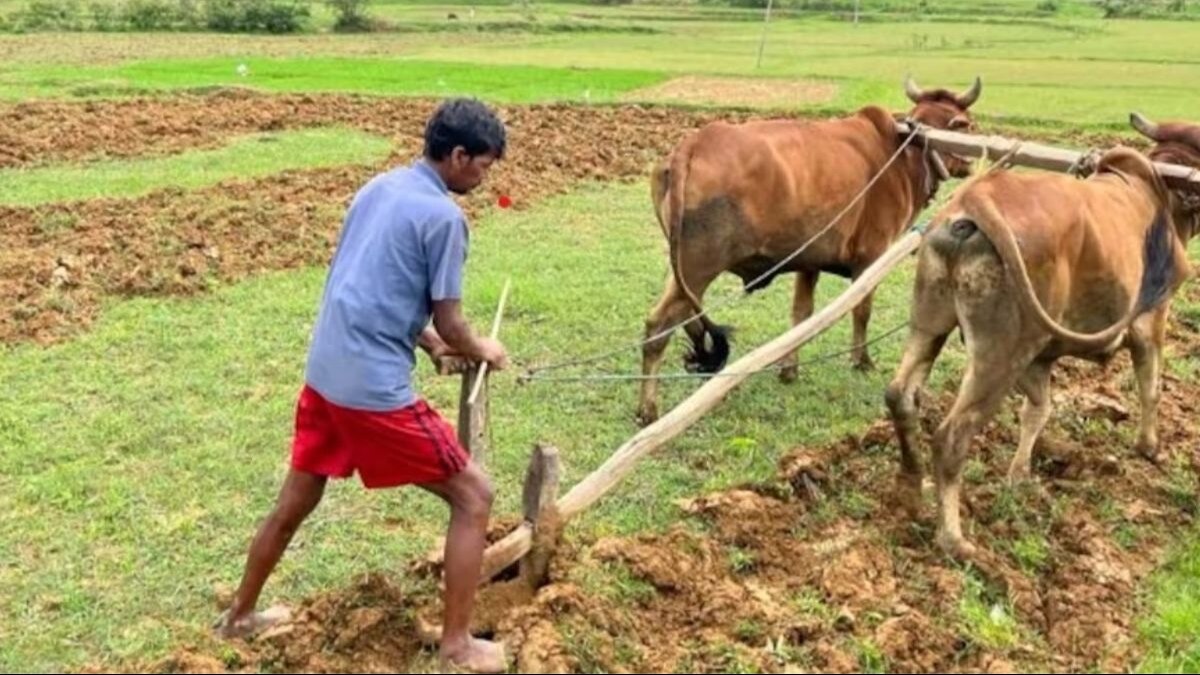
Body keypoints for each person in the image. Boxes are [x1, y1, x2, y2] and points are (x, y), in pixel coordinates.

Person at [215, 98, 510, 674]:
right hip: (370, 393)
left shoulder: (380, 187)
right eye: (483, 165)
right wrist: (480, 348)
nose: (484, 176)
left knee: (296, 500)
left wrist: (427, 346)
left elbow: (370, 285)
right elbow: (452, 321)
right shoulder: (447, 219)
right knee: (475, 495)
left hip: (325, 376)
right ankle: (457, 646)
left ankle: (239, 617)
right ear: (456, 156)